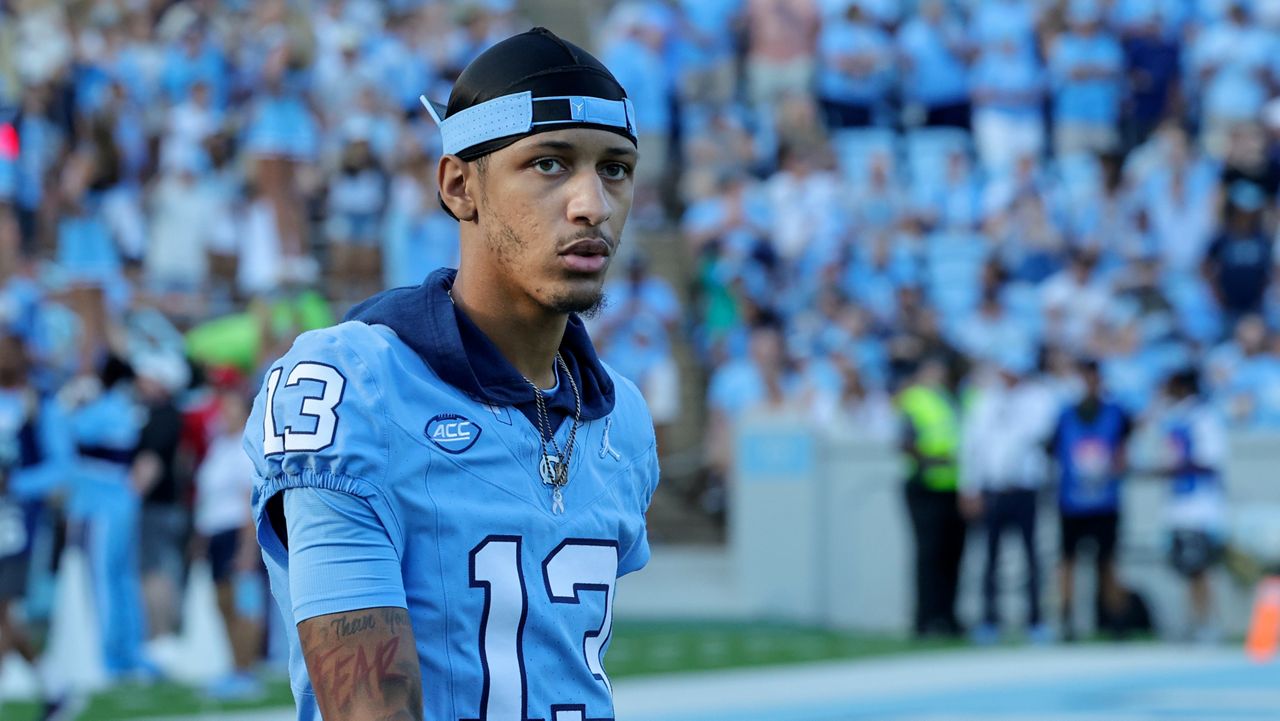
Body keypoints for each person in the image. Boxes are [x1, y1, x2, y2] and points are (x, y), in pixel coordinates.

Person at [244, 28, 659, 721]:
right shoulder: (353, 386)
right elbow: (368, 709)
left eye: (615, 168)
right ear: (460, 185)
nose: (593, 204)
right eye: (550, 164)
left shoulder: (621, 417)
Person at [959, 357, 1054, 644]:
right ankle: (989, 620)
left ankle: (1036, 620)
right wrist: (970, 486)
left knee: (1031, 557)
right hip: (993, 489)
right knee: (989, 558)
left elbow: (1036, 433)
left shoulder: (1038, 399)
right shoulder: (985, 401)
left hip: (1024, 488)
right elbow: (972, 445)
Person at [1046, 359, 1133, 641]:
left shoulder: (1116, 413)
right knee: (1067, 562)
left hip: (1105, 500)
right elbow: (1052, 449)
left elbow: (1124, 446)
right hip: (1072, 500)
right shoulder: (1065, 415)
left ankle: (1116, 620)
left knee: (1108, 561)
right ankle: (1066, 619)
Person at [1151, 368, 1228, 642]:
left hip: (1199, 506)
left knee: (1200, 568)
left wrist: (1175, 467)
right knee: (1186, 569)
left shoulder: (1204, 418)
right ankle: (1195, 622)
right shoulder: (1175, 417)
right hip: (1179, 505)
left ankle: (1208, 624)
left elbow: (1210, 459)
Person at [897, 354, 965, 638]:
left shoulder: (953, 400)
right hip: (924, 485)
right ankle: (925, 619)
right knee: (928, 555)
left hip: (954, 486)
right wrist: (933, 461)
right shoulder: (913, 399)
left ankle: (948, 616)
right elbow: (905, 442)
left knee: (953, 555)